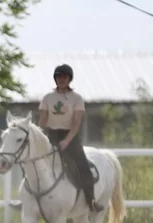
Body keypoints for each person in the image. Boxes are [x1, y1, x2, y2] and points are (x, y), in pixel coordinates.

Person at [37, 63, 103, 212]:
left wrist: (67, 141)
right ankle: (28, 199)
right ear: (55, 79)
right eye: (59, 77)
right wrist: (39, 138)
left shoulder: (76, 99)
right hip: (51, 135)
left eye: (65, 77)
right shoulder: (47, 98)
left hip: (70, 136)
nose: (62, 79)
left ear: (69, 79)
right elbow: (43, 121)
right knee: (33, 162)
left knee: (83, 167)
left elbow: (76, 123)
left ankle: (90, 200)